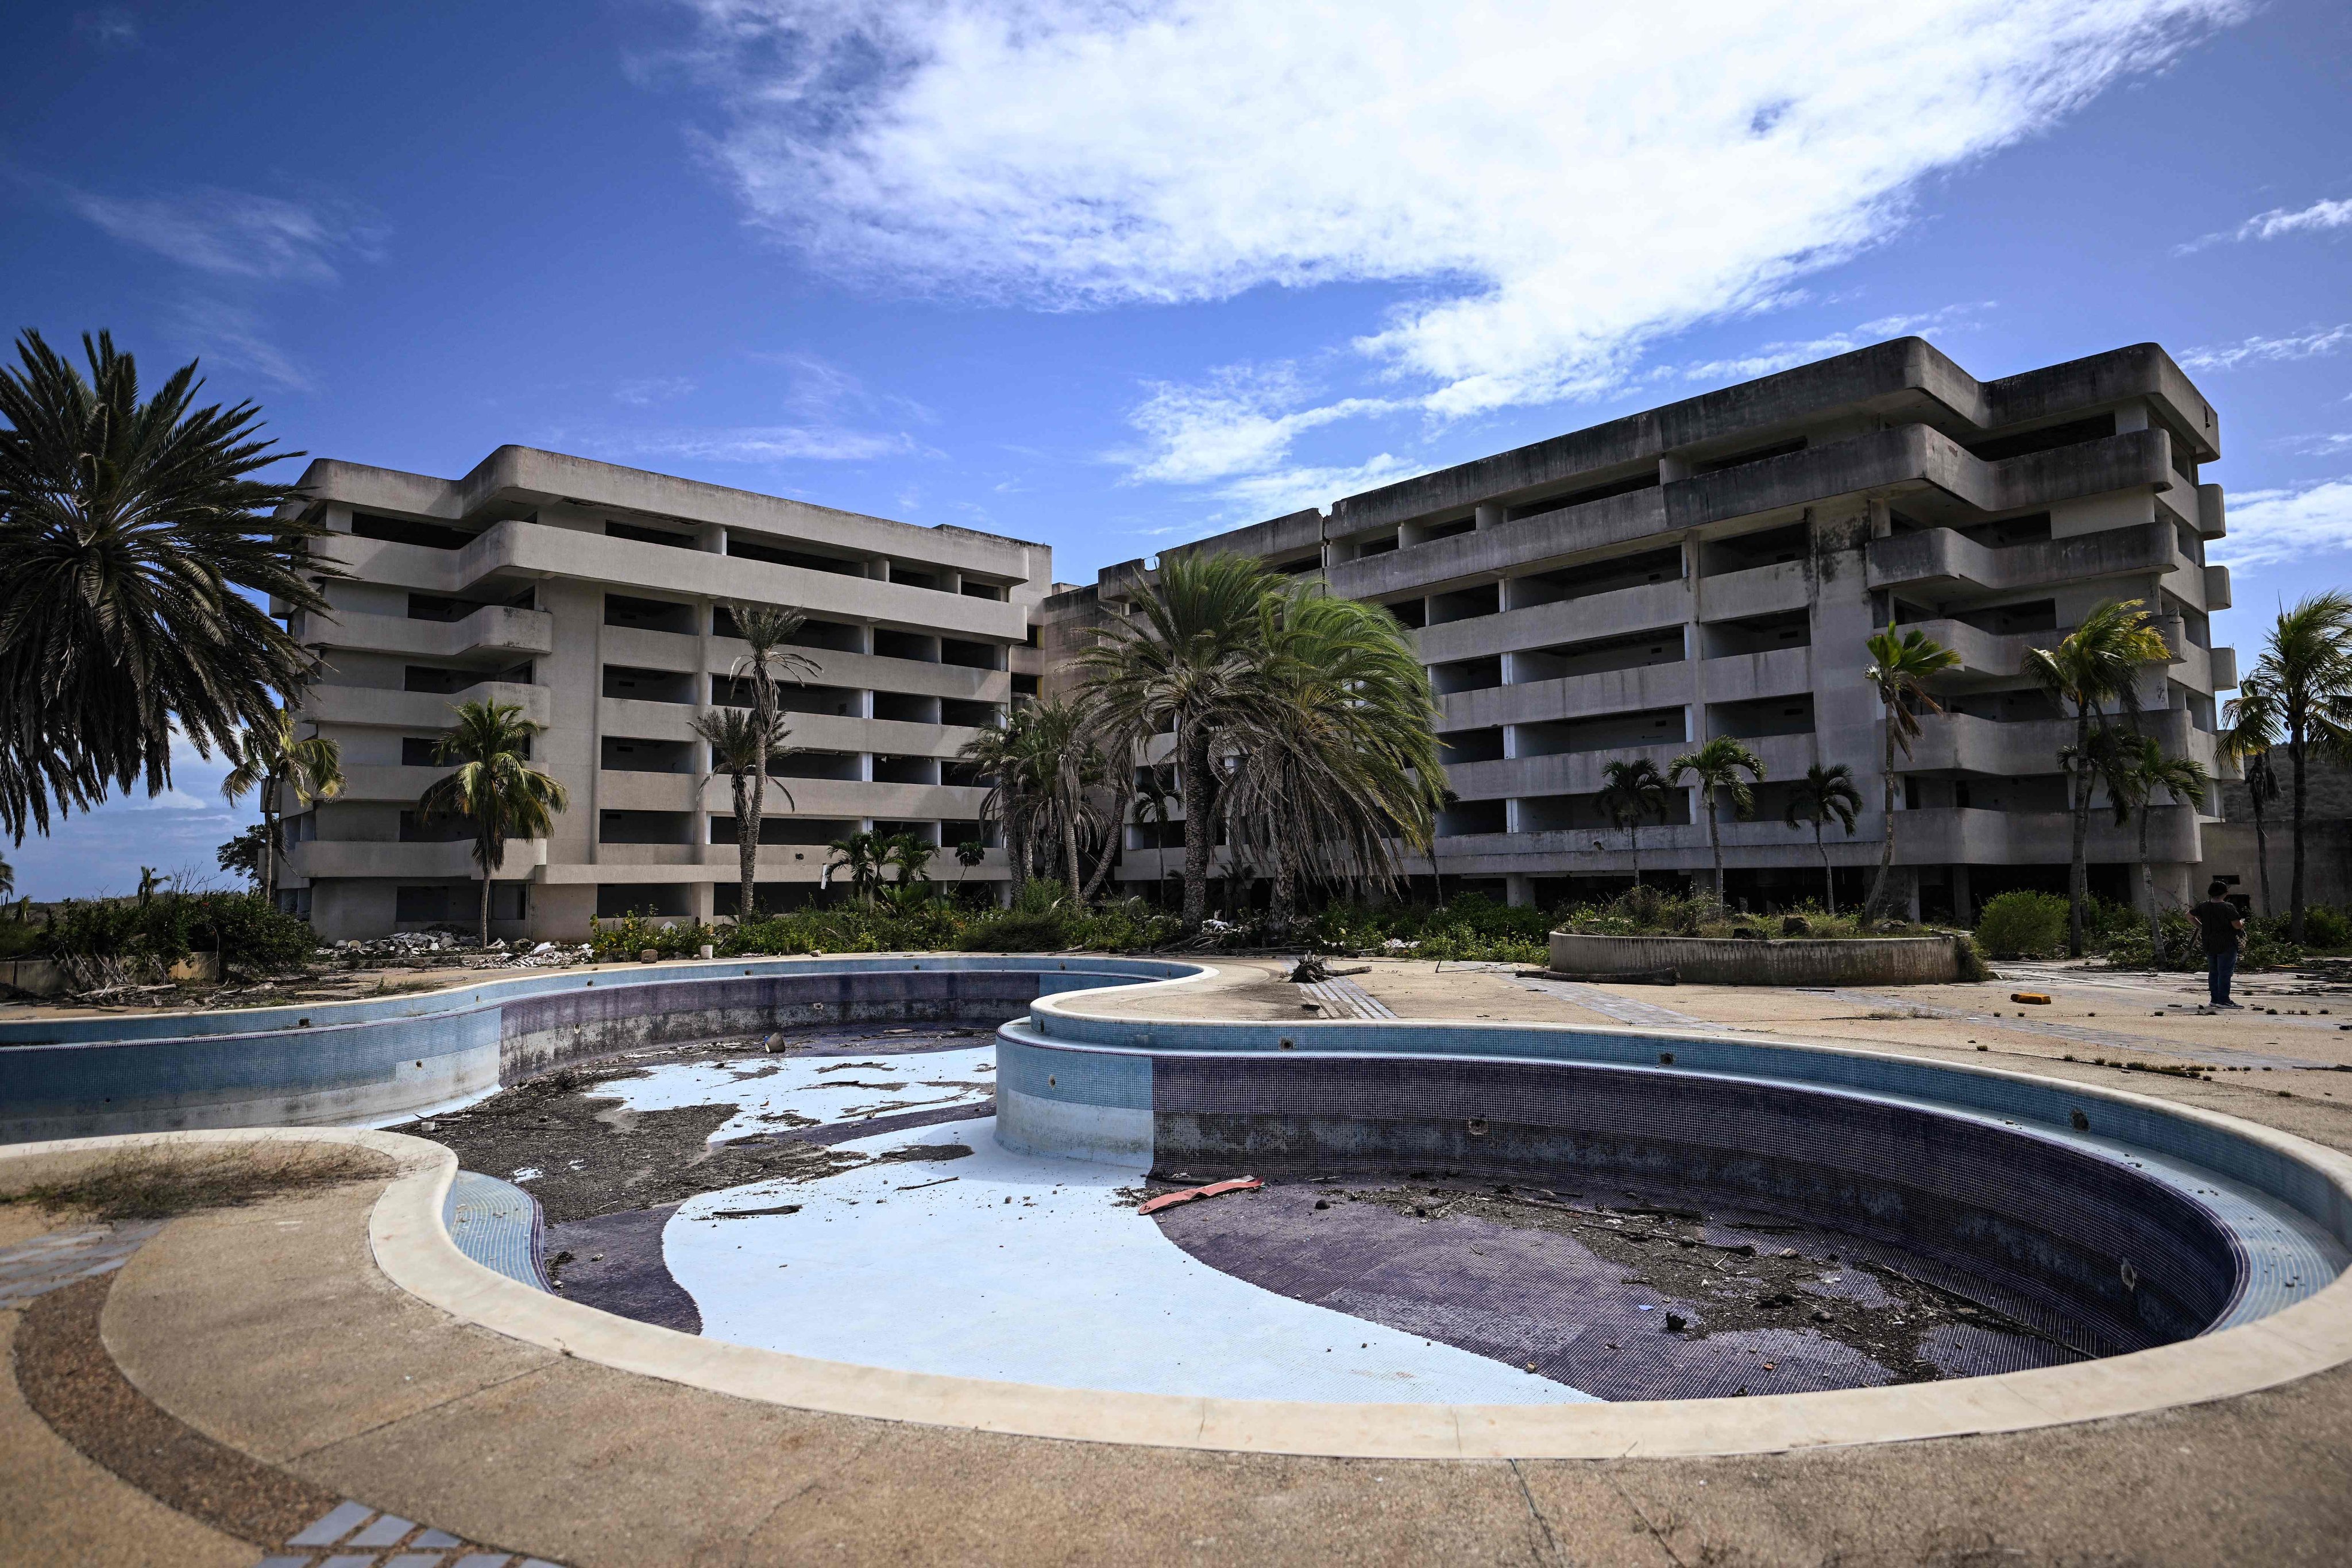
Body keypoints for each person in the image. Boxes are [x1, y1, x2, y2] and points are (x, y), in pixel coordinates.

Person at [2190, 879, 2246, 1010]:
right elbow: (2237, 925)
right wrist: (2242, 923)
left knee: (2214, 972)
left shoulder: (2204, 906)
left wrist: (2201, 927)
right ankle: (2224, 1000)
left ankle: (2215, 999)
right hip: (2227, 943)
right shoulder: (2228, 907)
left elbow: (2188, 915)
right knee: (2225, 973)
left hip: (2209, 943)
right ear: (2225, 893)